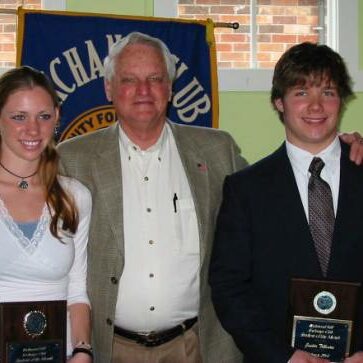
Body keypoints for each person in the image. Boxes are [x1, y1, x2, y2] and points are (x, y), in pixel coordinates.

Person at [58, 33, 363, 363]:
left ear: (170, 87)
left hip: (197, 347)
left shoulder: (217, 152)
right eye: (130, 79)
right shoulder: (72, 159)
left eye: (156, 78)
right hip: (109, 347)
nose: (144, 90)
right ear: (108, 88)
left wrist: (341, 149)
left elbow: (287, 191)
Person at [209, 42, 363, 363]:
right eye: (302, 93)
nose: (317, 106)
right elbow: (229, 288)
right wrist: (283, 356)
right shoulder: (245, 189)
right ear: (279, 102)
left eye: (329, 92)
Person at [0, 66, 93, 362]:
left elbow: (78, 290)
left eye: (43, 116)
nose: (32, 130)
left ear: (56, 117)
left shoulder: (74, 196)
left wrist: (82, 350)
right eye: (19, 117)